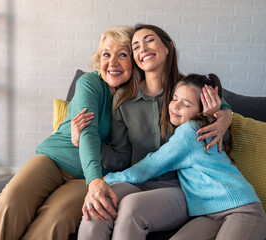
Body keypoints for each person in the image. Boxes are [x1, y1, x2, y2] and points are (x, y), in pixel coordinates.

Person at [75, 24, 234, 239]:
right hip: (136, 181)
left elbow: (220, 130)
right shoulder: (123, 99)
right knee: (97, 208)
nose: (143, 49)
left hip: (182, 187)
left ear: (167, 47)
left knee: (132, 208)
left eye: (149, 40)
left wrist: (224, 115)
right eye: (136, 46)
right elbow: (121, 156)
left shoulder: (190, 90)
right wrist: (82, 143)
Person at [0, 25, 139, 240]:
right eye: (106, 54)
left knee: (56, 219)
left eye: (122, 54)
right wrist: (94, 173)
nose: (112, 62)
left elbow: (122, 158)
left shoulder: (135, 100)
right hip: (54, 159)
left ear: (135, 61)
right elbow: (89, 132)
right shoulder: (90, 83)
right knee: (11, 200)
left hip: (84, 177)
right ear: (98, 60)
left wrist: (86, 148)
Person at [104, 73, 266, 240]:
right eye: (174, 99)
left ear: (201, 111)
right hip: (208, 213)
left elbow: (150, 166)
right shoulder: (198, 127)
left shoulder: (190, 131)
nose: (176, 106)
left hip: (242, 210)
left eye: (186, 104)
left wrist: (108, 178)